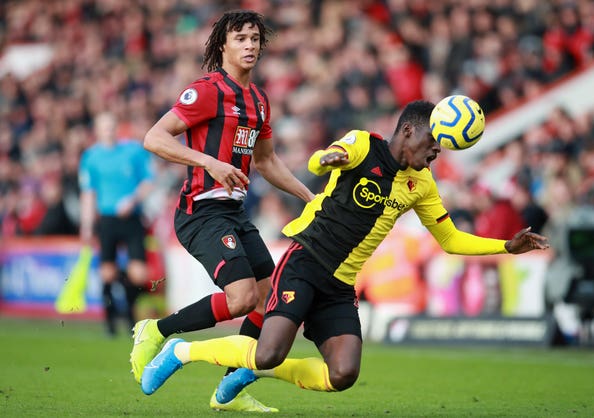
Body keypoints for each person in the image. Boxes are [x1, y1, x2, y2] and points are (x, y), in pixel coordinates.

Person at [138, 100, 550, 407]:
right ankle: (182, 351)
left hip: (340, 284)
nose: (436, 153)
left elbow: (450, 239)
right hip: (304, 261)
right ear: (407, 131)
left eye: (442, 148)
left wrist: (506, 247)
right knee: (268, 351)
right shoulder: (361, 145)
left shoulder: (421, 185)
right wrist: (329, 158)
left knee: (343, 374)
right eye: (432, 143)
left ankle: (246, 371)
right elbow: (320, 161)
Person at [129, 9, 315, 412]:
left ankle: (229, 390)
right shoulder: (208, 90)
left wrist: (308, 196)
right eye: (240, 39)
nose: (250, 45)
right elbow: (154, 137)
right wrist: (208, 162)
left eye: (254, 39)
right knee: (241, 297)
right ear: (223, 46)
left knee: (268, 301)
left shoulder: (260, 101)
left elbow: (266, 161)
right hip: (200, 212)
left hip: (234, 214)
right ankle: (159, 330)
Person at [78, 111, 154, 336]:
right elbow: (88, 193)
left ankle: (130, 314)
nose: (109, 131)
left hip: (131, 218)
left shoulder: (132, 151)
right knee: (107, 274)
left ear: (116, 128)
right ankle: (110, 322)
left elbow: (149, 182)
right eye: (104, 127)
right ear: (97, 131)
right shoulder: (91, 157)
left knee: (138, 274)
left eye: (111, 126)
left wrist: (132, 200)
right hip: (107, 219)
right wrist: (86, 224)